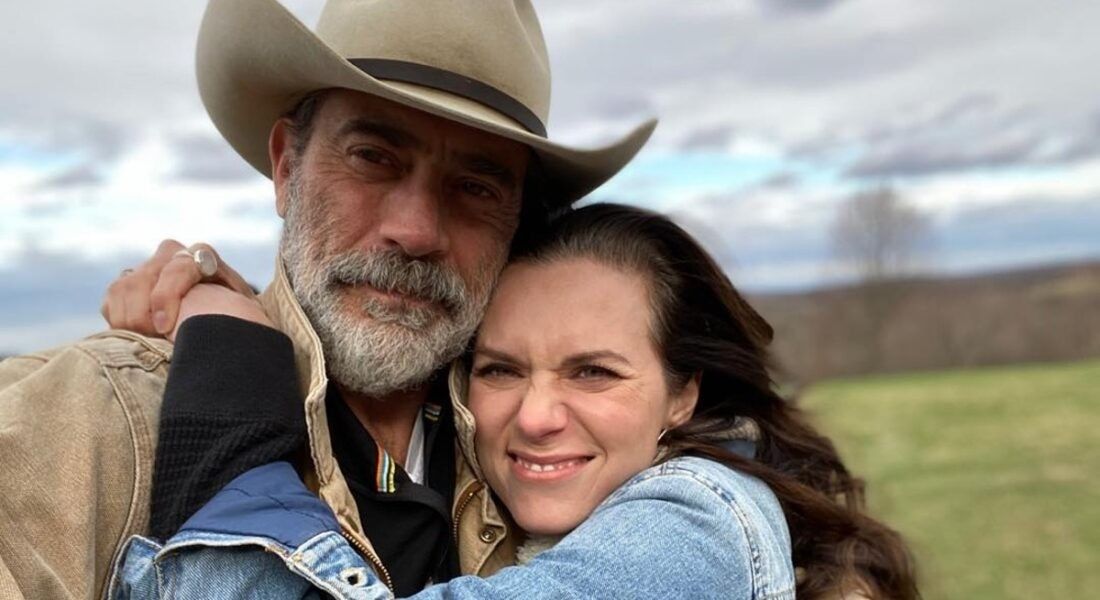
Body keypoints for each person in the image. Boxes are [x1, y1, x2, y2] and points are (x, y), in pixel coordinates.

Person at [0, 0, 657, 596]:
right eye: (374, 157)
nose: (417, 231)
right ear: (287, 167)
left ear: (516, 224)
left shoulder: (558, 443)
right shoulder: (113, 413)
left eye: (476, 189)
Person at [107, 204, 918, 599]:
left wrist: (230, 357)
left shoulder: (699, 524)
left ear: (683, 394)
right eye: (499, 370)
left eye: (593, 372)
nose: (535, 417)